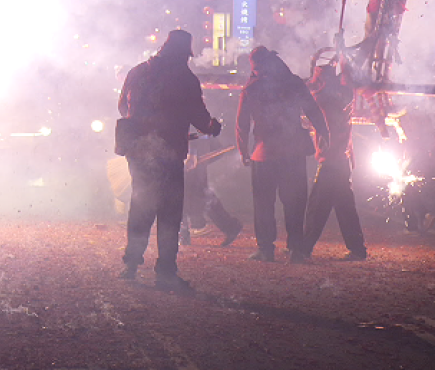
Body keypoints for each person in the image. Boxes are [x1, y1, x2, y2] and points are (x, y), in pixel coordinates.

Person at [117, 29, 221, 293]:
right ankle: (165, 272)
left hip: (138, 151)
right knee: (169, 213)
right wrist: (212, 126)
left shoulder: (138, 72)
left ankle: (131, 265)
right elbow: (199, 117)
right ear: (183, 52)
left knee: (141, 206)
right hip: (169, 153)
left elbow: (123, 107)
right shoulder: (185, 79)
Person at [236, 46, 329, 263]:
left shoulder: (252, 88)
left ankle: (266, 249)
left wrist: (243, 150)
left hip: (264, 154)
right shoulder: (293, 83)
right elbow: (312, 110)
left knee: (264, 205)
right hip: (292, 152)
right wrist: (324, 133)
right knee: (295, 202)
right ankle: (295, 249)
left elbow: (242, 124)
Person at [300, 63, 367, 260]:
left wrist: (323, 151)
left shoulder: (322, 100)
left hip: (330, 161)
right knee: (345, 207)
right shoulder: (344, 94)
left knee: (317, 206)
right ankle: (357, 249)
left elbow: (326, 128)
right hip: (341, 159)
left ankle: (303, 248)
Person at [180, 135, 242, 247]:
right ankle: (229, 226)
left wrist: (192, 153)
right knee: (196, 193)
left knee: (191, 192)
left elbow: (192, 129)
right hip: (193, 149)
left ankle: (184, 233)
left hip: (192, 150)